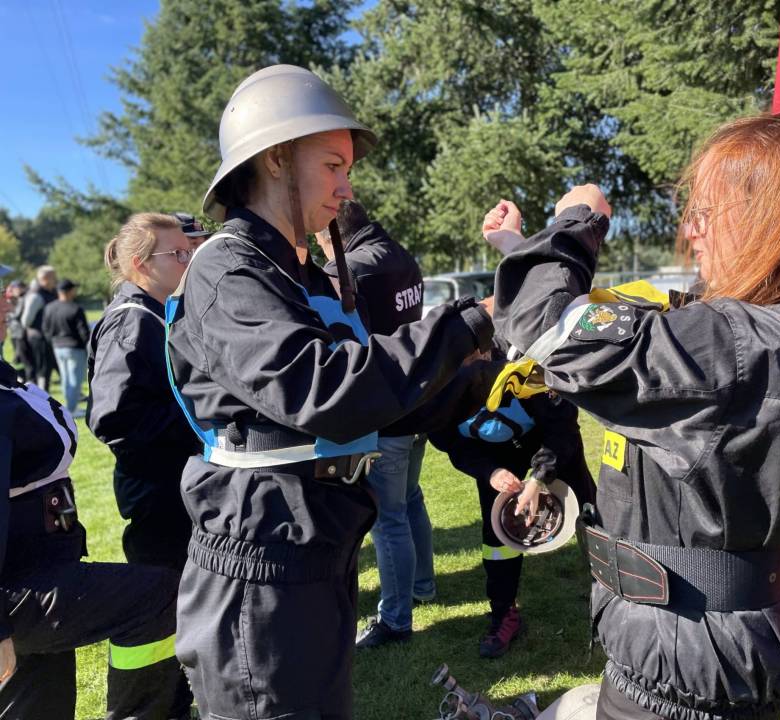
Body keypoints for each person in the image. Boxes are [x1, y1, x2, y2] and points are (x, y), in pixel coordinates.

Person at [486, 111, 780, 720]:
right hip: (731, 639)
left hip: (686, 664)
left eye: (706, 211)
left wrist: (577, 221)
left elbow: (550, 331)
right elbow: (650, 324)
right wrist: (518, 253)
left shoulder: (731, 347)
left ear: (769, 217)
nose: (690, 229)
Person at [165, 64, 494, 720]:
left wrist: (499, 371)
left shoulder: (302, 276)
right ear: (277, 159)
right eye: (333, 166)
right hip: (259, 566)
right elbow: (324, 390)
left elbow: (389, 400)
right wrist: (467, 324)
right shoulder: (227, 270)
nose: (347, 188)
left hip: (317, 547)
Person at [0, 293, 184, 720]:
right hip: (19, 584)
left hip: (38, 565)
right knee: (157, 595)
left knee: (40, 702)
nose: (8, 300)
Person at [87, 213, 198, 718]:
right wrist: (195, 413)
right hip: (158, 494)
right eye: (176, 254)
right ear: (139, 264)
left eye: (188, 251)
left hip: (173, 487)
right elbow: (113, 418)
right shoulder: (132, 319)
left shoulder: (157, 311)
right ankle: (152, 707)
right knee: (159, 610)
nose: (187, 260)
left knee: (181, 603)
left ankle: (176, 700)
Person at [313, 200, 435, 650]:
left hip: (384, 408)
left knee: (389, 518)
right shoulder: (402, 257)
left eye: (320, 238)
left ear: (332, 234)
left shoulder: (349, 270)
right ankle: (422, 586)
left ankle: (396, 619)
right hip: (418, 400)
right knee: (410, 499)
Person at [430, 338, 595, 659]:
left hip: (546, 443)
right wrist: (489, 472)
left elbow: (561, 428)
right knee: (498, 537)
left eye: (473, 360)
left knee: (591, 515)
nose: (467, 372)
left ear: (484, 350)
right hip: (493, 457)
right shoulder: (438, 385)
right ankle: (503, 613)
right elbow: (449, 441)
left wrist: (538, 477)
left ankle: (614, 592)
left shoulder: (523, 361)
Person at [41, 278, 89, 417]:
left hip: (58, 347)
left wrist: (53, 341)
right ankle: (72, 409)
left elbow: (46, 329)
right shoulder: (76, 308)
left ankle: (70, 407)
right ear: (70, 291)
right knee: (75, 380)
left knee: (66, 379)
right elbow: (84, 332)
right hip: (75, 347)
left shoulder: (49, 307)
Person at [19, 266, 57, 390]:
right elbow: (26, 321)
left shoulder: (49, 292)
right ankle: (41, 395)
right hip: (38, 338)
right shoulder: (36, 295)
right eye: (53, 277)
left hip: (46, 337)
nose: (56, 280)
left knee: (47, 368)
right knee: (42, 370)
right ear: (45, 279)